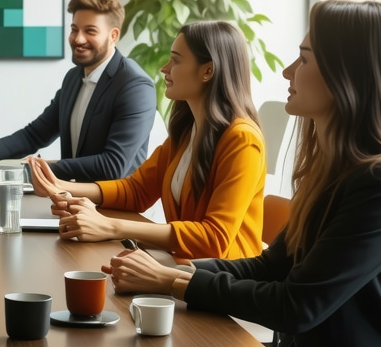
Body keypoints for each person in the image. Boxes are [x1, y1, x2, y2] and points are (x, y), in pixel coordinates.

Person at [106, 1, 381, 347]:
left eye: (305, 59)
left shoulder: (378, 186)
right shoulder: (333, 174)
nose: (287, 72)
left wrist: (173, 282)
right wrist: (174, 275)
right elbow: (268, 265)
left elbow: (295, 306)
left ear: (346, 76)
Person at [30, 20, 265, 260]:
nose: (165, 68)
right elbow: (137, 190)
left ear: (208, 71)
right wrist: (63, 186)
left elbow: (214, 238)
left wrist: (110, 226)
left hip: (224, 281)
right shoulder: (187, 132)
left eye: (176, 60)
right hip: (186, 267)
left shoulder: (242, 140)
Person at [0, 0, 154, 181]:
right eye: (74, 29)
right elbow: (34, 135)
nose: (78, 39)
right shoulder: (74, 77)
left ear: (113, 35)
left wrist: (39, 168)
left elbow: (113, 166)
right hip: (74, 200)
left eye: (90, 31)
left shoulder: (135, 87)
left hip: (116, 211)